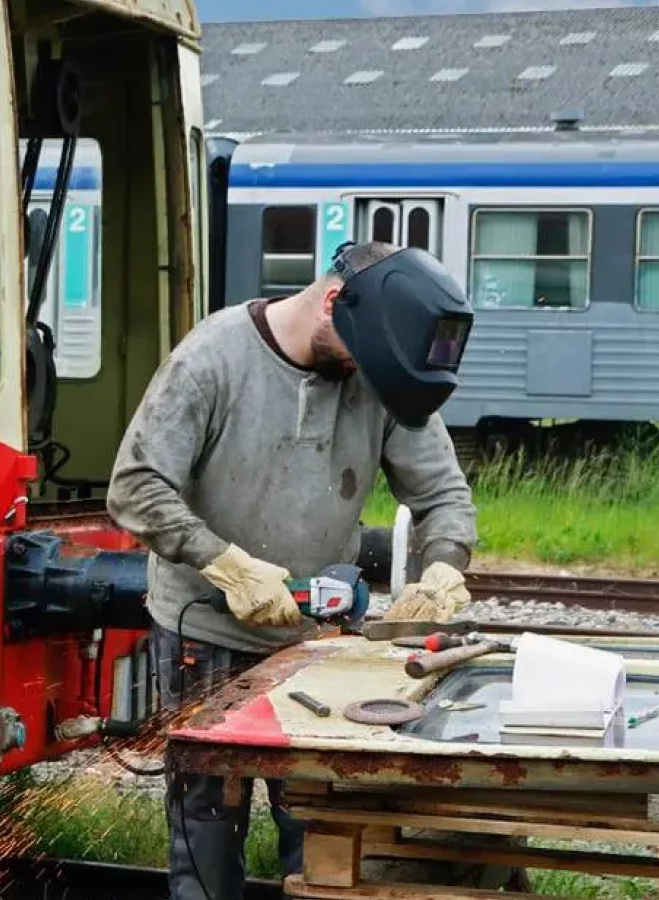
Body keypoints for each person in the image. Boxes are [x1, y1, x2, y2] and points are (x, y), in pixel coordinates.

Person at [105, 240, 479, 900]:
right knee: (206, 825)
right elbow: (135, 486)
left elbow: (442, 495)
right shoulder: (214, 357)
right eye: (361, 361)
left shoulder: (378, 371)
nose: (365, 380)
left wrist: (443, 568)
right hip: (206, 634)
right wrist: (227, 565)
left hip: (318, 642)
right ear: (333, 304)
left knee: (317, 821)